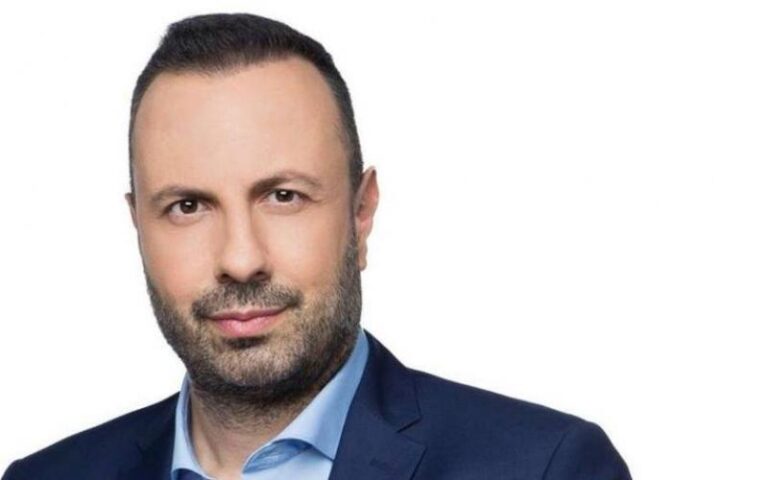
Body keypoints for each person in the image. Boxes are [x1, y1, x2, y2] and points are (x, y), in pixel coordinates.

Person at [2, 12, 632, 480]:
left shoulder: (545, 468)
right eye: (188, 206)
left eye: (283, 196)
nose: (240, 259)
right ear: (139, 226)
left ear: (361, 214)